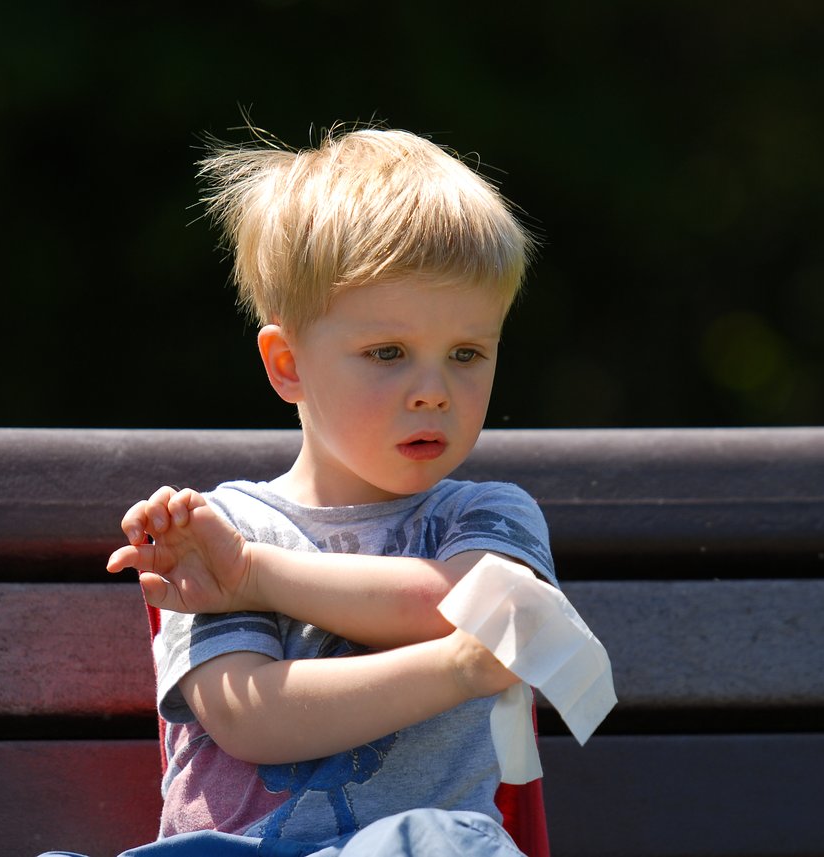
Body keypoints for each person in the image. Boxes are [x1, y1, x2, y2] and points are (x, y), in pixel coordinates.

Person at [72, 124, 564, 857]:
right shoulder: (224, 529)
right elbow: (251, 718)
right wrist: (456, 664)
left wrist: (253, 579)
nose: (434, 391)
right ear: (288, 363)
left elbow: (455, 601)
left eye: (466, 353)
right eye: (388, 353)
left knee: (446, 843)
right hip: (234, 852)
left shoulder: (487, 516)